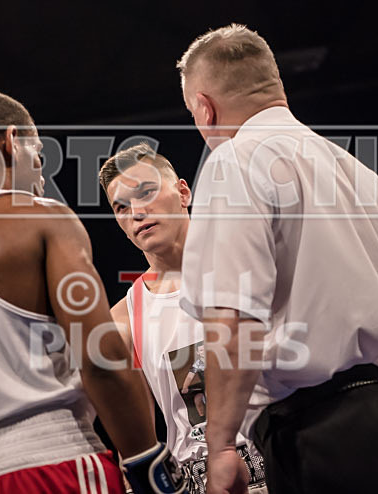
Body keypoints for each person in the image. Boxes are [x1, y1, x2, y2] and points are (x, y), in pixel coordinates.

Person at [174, 24, 378, 494]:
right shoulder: (360, 173)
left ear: (204, 108)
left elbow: (234, 318)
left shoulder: (235, 160)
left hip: (335, 435)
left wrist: (222, 448)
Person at [0, 89, 183, 494]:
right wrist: (149, 466)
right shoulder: (38, 218)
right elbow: (102, 357)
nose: (42, 177)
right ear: (11, 142)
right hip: (55, 462)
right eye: (39, 156)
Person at [99, 144, 267, 493]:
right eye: (121, 207)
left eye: (145, 193)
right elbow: (134, 444)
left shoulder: (250, 266)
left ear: (183, 192)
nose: (137, 212)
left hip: (275, 462)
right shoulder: (124, 318)